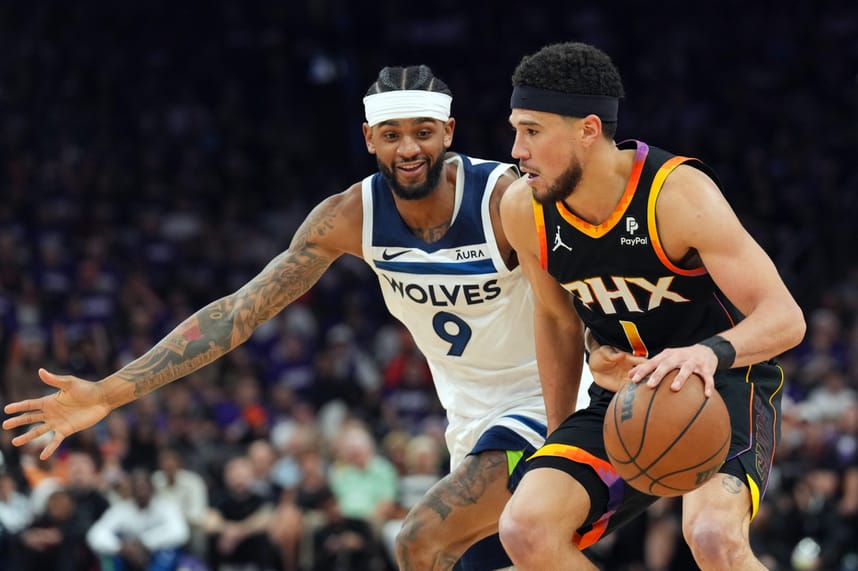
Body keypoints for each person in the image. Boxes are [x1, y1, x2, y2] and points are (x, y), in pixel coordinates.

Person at [2, 64, 602, 569]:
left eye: (423, 131)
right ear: (370, 138)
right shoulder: (348, 216)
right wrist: (108, 393)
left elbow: (573, 305)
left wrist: (569, 423)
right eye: (392, 134)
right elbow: (238, 314)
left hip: (547, 400)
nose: (410, 148)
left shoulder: (505, 201)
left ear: (449, 130)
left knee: (420, 542)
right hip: (468, 421)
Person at [496, 41, 807, 570]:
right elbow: (555, 320)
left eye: (532, 130)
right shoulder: (524, 208)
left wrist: (707, 354)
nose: (516, 149)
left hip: (720, 384)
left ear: (588, 130)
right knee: (525, 529)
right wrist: (558, 435)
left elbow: (786, 318)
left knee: (711, 536)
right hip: (623, 392)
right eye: (515, 129)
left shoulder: (676, 195)